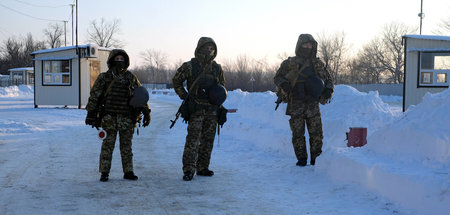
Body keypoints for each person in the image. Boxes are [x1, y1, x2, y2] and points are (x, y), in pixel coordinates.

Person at [85, 49, 151, 182]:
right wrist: (91, 113)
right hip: (109, 117)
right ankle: (104, 172)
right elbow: (94, 96)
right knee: (107, 146)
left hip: (127, 118)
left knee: (126, 146)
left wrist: (146, 111)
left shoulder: (131, 77)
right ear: (111, 60)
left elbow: (140, 95)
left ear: (126, 61)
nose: (120, 61)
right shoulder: (104, 77)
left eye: (122, 59)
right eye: (117, 59)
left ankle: (128, 171)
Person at [172, 37, 227, 181]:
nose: (209, 51)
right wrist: (185, 96)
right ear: (200, 48)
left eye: (211, 48)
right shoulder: (190, 65)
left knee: (208, 140)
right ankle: (189, 169)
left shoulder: (217, 68)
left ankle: (203, 167)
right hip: (196, 108)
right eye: (206, 48)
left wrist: (220, 107)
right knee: (193, 140)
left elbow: (221, 87)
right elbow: (176, 80)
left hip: (212, 110)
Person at [274, 34, 334, 166]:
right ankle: (301, 159)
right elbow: (277, 77)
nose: (308, 47)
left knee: (317, 133)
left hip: (312, 104)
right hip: (296, 103)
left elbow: (329, 79)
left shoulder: (318, 64)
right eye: (305, 44)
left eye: (310, 45)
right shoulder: (290, 63)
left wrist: (328, 90)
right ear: (299, 45)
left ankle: (316, 159)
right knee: (298, 134)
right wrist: (284, 84)